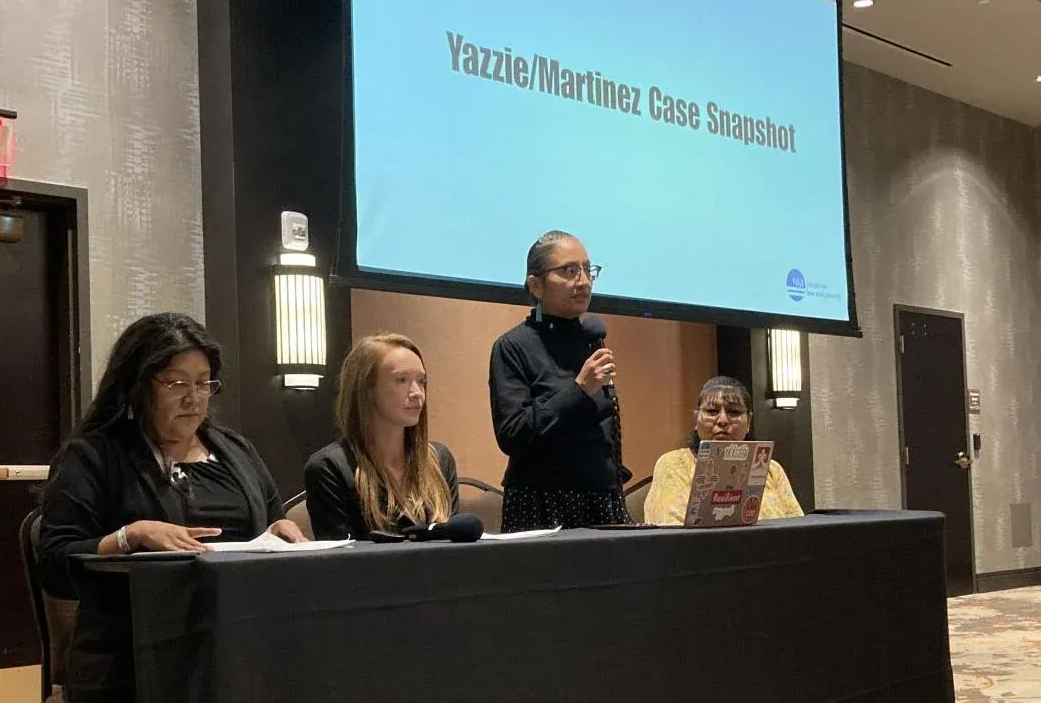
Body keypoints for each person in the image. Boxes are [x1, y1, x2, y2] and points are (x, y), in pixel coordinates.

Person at [37, 312, 304, 703]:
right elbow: (55, 562)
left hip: (237, 639)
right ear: (138, 385)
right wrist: (130, 536)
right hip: (137, 654)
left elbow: (269, 521)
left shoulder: (236, 451)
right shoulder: (93, 457)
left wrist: (279, 530)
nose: (194, 397)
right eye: (177, 383)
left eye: (204, 383)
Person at [489, 230, 631, 531]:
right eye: (569, 271)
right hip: (541, 501)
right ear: (536, 286)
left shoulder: (592, 339)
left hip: (603, 500)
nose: (583, 281)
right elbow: (512, 434)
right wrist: (579, 389)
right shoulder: (513, 347)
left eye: (587, 269)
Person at [304, 333, 459, 539]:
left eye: (421, 381)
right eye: (401, 380)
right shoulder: (329, 467)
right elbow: (340, 564)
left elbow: (455, 550)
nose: (417, 393)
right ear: (367, 390)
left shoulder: (439, 459)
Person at [643, 375, 803, 524]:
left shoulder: (771, 469)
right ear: (696, 419)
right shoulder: (673, 464)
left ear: (748, 422)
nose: (723, 420)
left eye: (734, 412)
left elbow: (797, 527)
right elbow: (668, 531)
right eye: (712, 411)